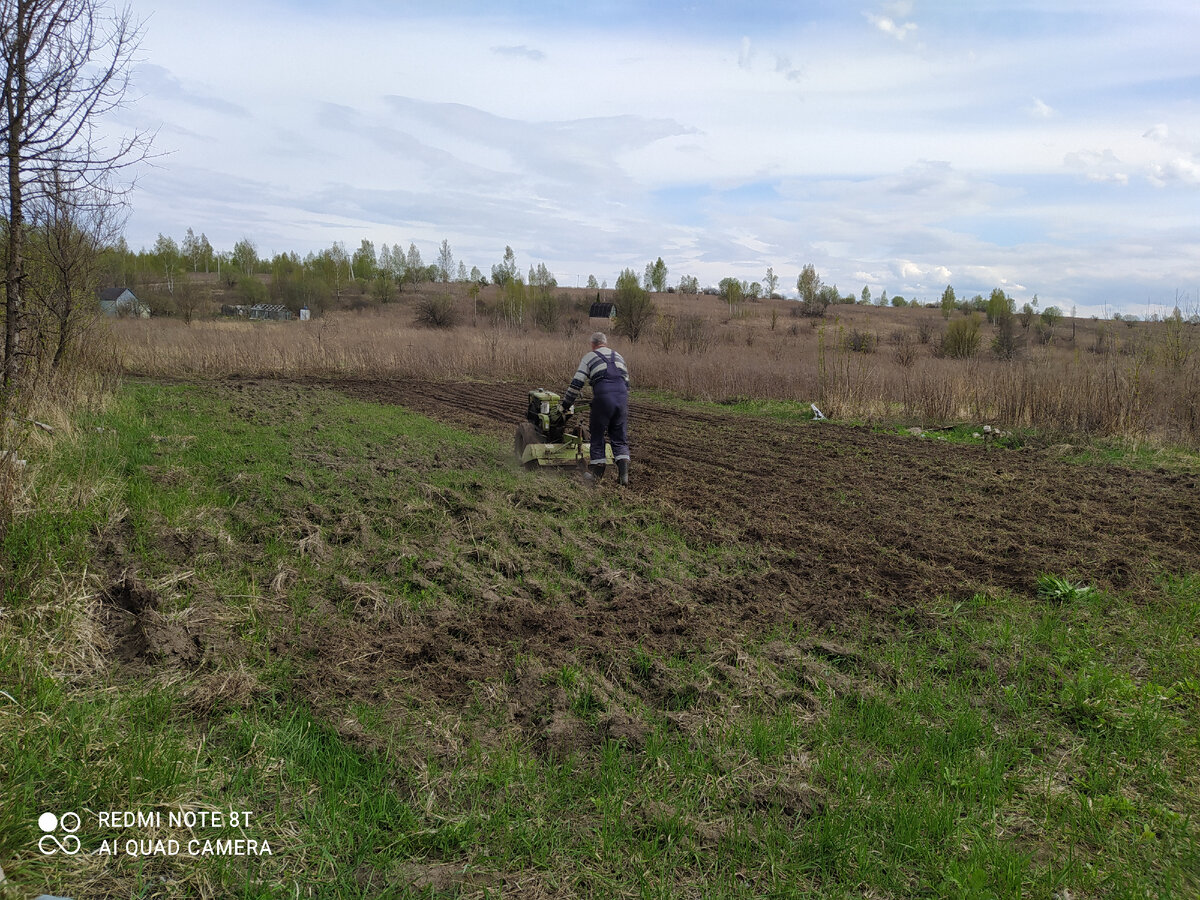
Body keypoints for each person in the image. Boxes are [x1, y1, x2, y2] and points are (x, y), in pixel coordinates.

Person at [562, 332, 630, 485]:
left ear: (593, 344)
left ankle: (596, 475)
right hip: (622, 399)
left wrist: (565, 405)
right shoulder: (618, 356)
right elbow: (627, 384)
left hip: (603, 398)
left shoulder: (589, 357)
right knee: (619, 436)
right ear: (605, 343)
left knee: (597, 434)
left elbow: (576, 384)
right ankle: (623, 475)